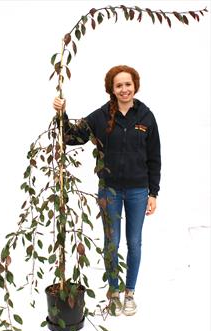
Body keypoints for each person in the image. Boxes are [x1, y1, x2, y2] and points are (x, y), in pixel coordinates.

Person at [53, 65, 161, 316]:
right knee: (112, 243)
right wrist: (62, 112)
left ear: (135, 85)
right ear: (111, 89)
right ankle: (114, 292)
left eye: (128, 84)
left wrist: (153, 193)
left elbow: (154, 157)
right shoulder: (101, 117)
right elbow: (70, 137)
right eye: (119, 85)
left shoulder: (146, 117)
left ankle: (129, 293)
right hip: (109, 191)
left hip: (138, 191)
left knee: (134, 243)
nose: (124, 89)